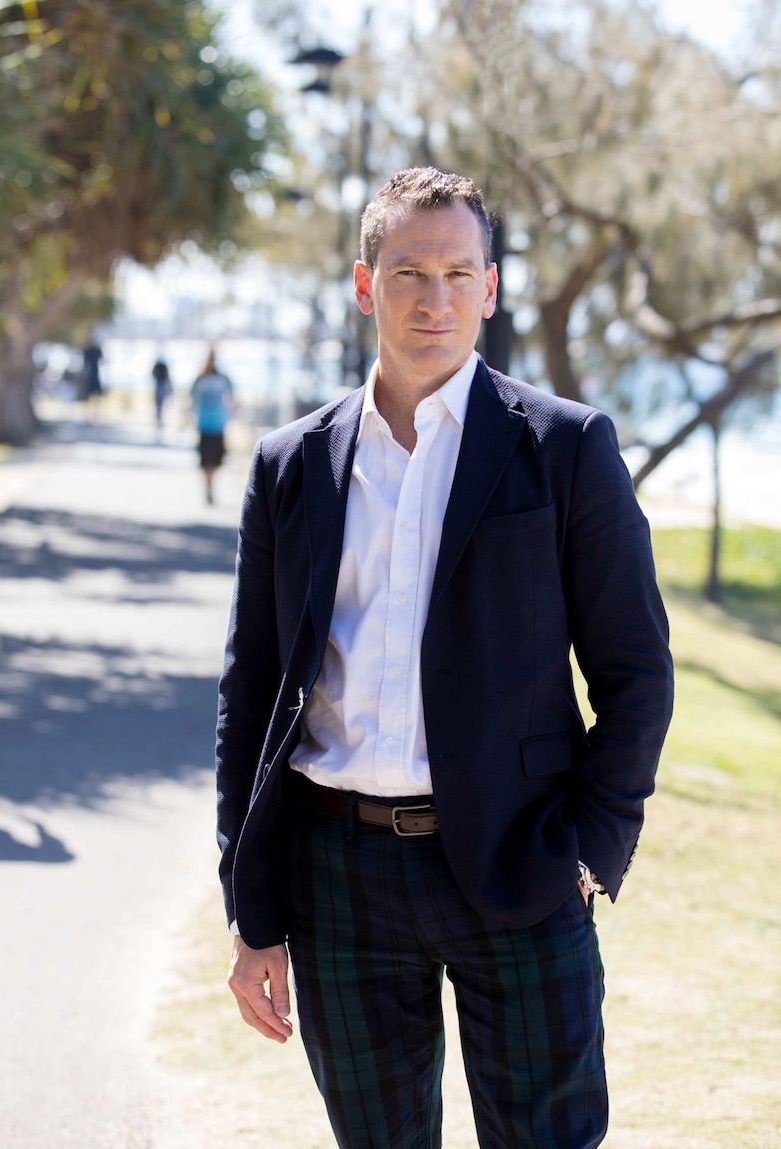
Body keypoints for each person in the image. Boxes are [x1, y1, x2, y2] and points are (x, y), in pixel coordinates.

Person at [216, 168, 674, 1149]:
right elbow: (251, 693)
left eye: (459, 274)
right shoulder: (290, 464)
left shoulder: (566, 447)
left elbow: (635, 670)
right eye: (410, 271)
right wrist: (250, 910)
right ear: (363, 282)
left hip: (522, 859)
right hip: (332, 873)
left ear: (491, 288)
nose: (435, 299)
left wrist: (592, 845)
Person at [191, 348, 233, 503]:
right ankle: (209, 485)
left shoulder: (219, 378)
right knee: (209, 460)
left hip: (215, 424)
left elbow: (231, 398)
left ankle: (210, 485)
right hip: (209, 424)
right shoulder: (202, 379)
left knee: (213, 460)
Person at [151, 357, 173, 436]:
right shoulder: (161, 379)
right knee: (159, 407)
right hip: (160, 388)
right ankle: (159, 422)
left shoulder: (163, 379)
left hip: (161, 388)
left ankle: (160, 422)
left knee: (161, 407)